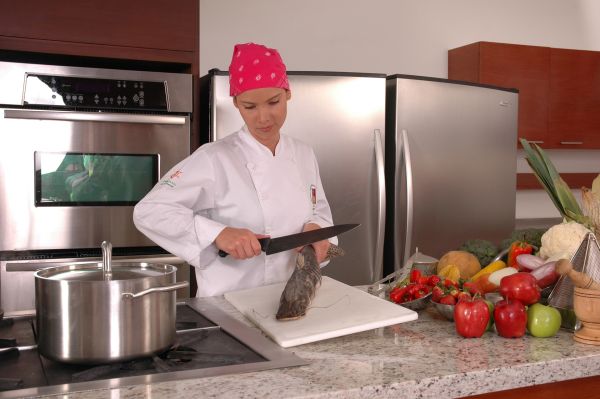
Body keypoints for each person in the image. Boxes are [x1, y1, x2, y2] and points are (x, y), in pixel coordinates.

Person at [133, 42, 336, 297]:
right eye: (250, 107)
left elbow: (319, 211)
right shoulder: (213, 158)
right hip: (228, 307)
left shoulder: (304, 153)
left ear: (288, 92)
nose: (263, 118)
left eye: (273, 102)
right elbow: (149, 211)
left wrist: (316, 229)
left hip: (293, 299)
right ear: (236, 103)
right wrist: (218, 234)